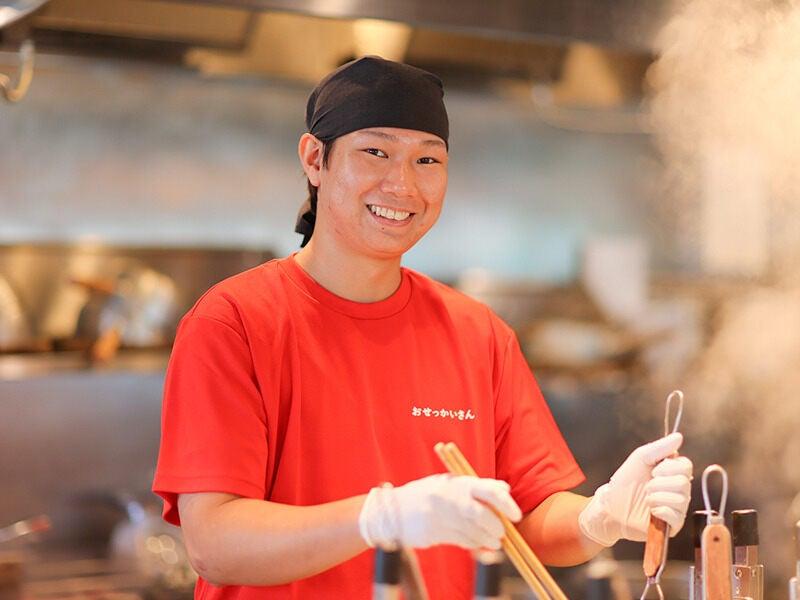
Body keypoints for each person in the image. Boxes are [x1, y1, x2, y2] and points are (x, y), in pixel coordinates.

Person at [152, 56, 693, 599]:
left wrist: (599, 517)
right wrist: (382, 517)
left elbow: (527, 518)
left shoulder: (476, 333)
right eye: (376, 152)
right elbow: (214, 543)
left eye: (427, 160)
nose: (403, 185)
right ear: (315, 158)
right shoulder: (234, 322)